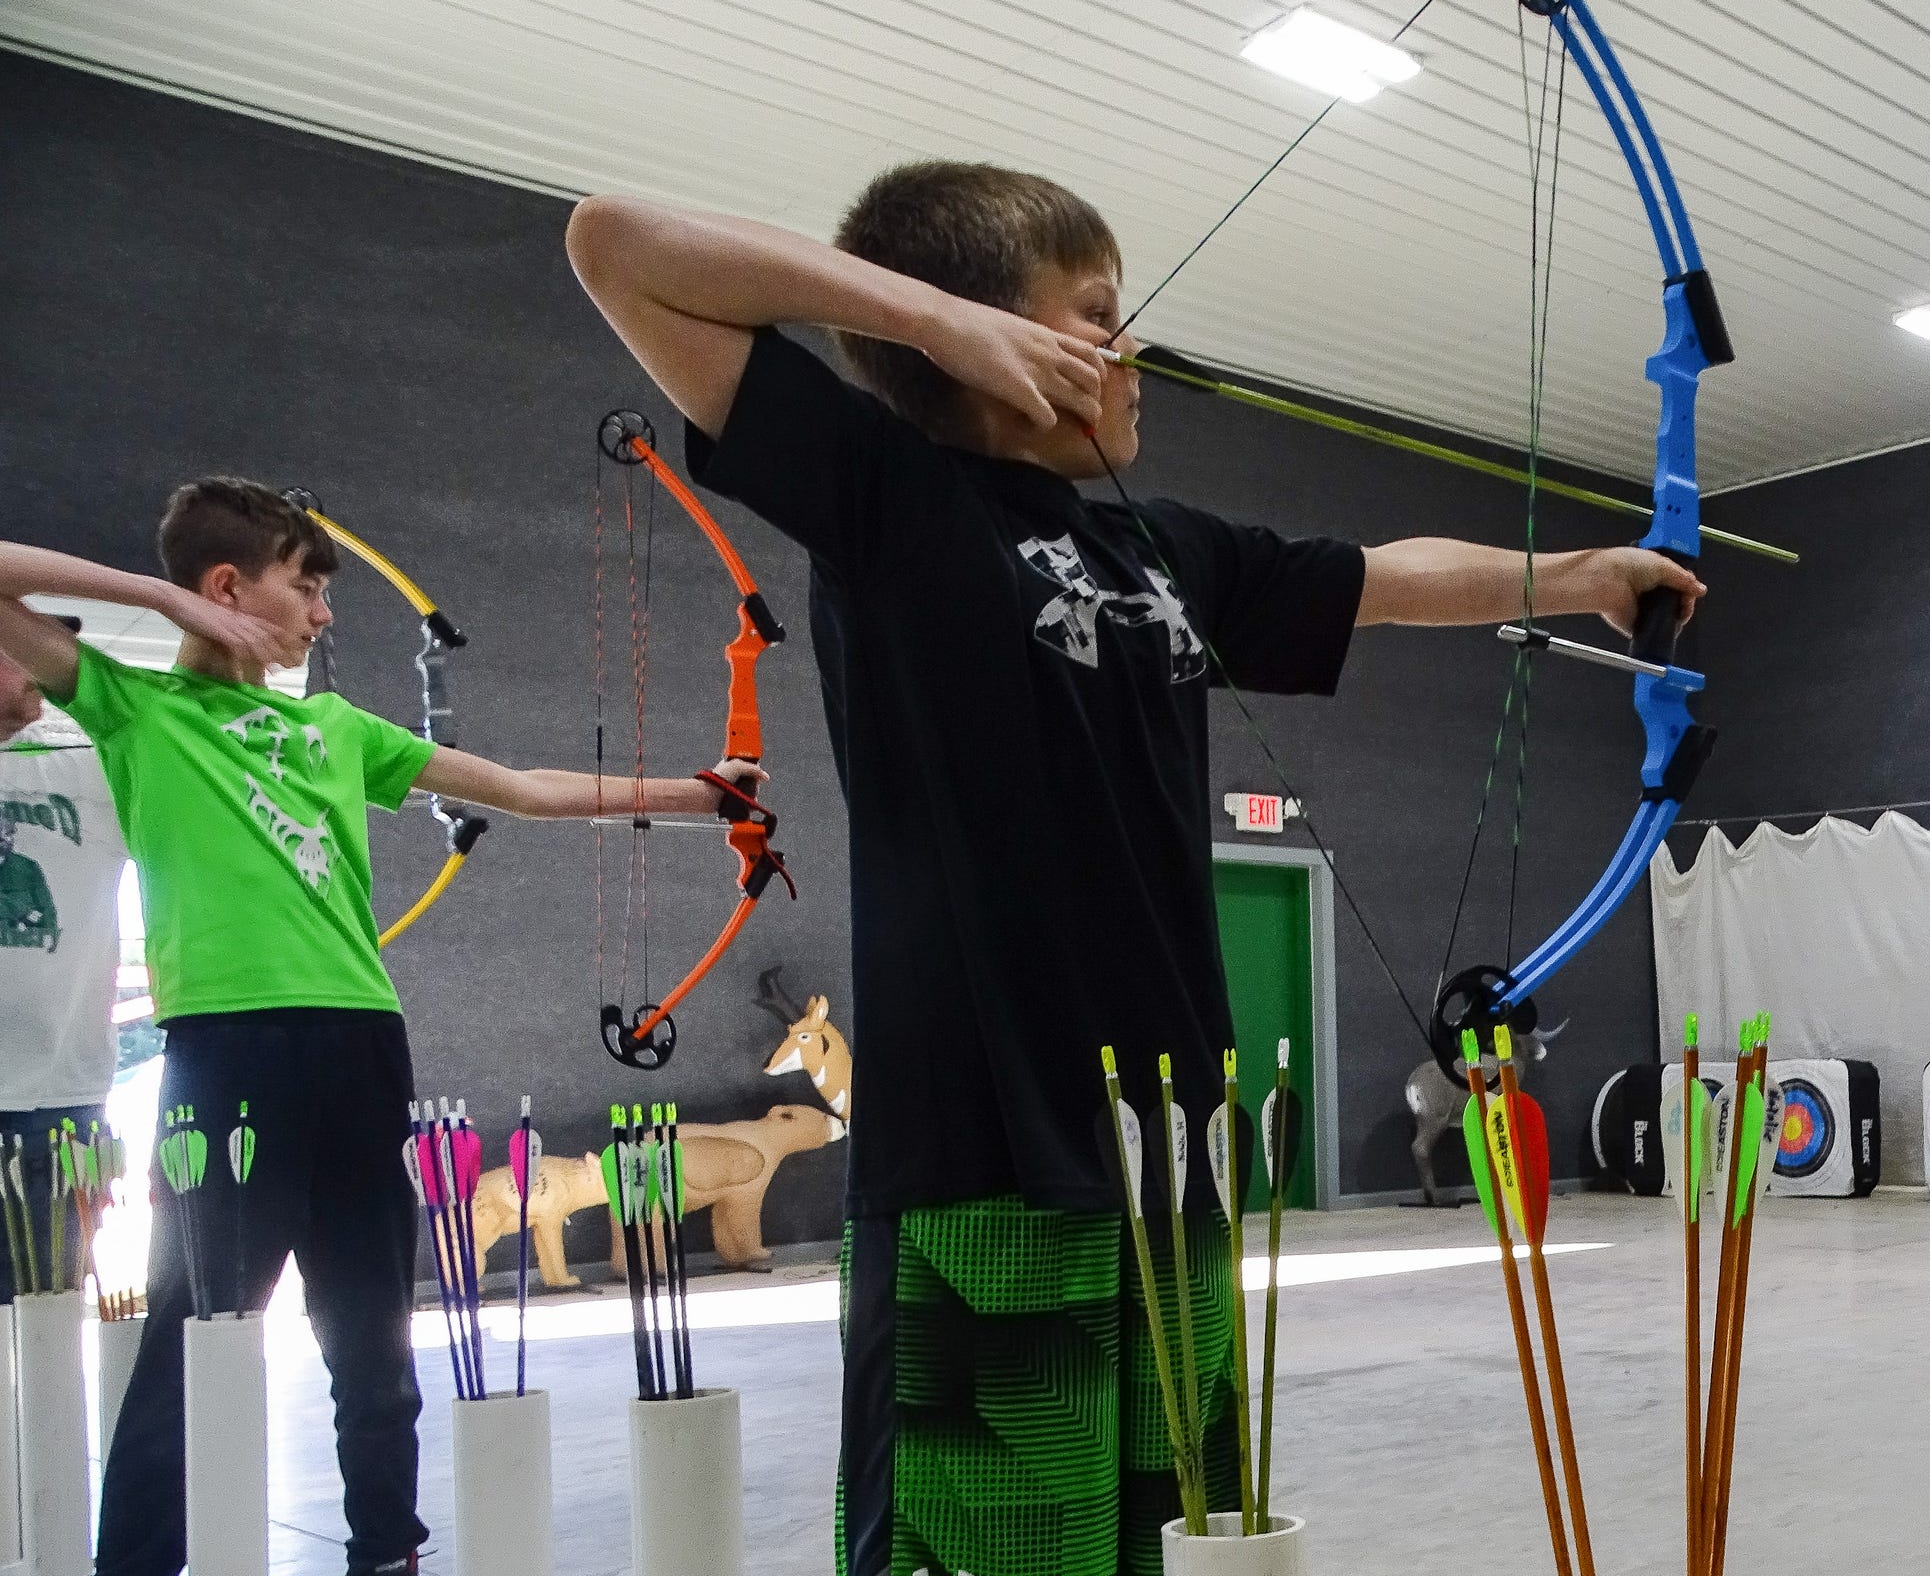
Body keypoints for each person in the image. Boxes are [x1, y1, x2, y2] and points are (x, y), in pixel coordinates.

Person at [565, 165, 1705, 1575]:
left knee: (1176, 1530)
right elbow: (616, 243)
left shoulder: (1167, 548)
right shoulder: (888, 499)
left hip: (1172, 1138)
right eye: (1095, 315)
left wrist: (1581, 571)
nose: (1129, 349)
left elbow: (1384, 577)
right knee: (993, 1544)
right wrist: (930, 318)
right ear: (998, 339)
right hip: (981, 1148)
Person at [0, 481, 761, 1576]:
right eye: (303, 586)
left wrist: (698, 796)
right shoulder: (135, 709)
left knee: (373, 1340)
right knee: (190, 1334)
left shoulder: (336, 727)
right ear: (227, 586)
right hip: (232, 1055)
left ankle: (387, 1555)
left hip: (361, 1047)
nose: (323, 613)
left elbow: (521, 790)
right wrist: (163, 600)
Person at [0, 611, 125, 1303]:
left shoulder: (90, 762)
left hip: (61, 1104)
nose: (46, 679)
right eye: (25, 652)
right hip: (58, 1102)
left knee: (47, 1327)